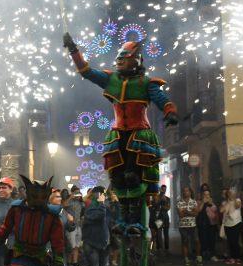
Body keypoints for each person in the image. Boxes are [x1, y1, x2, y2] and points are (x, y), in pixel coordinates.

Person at [64, 33, 179, 239]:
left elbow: (161, 98)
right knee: (118, 178)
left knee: (133, 176)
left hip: (139, 135)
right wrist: (74, 50)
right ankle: (122, 220)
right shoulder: (111, 79)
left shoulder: (147, 82)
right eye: (119, 56)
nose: (119, 60)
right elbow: (86, 72)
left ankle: (136, 222)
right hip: (118, 135)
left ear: (135, 59)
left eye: (124, 56)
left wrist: (169, 112)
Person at [0, 175, 66, 266]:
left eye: (42, 196)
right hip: (19, 256)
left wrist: (59, 263)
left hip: (40, 259)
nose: (39, 200)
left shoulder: (51, 215)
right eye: (35, 196)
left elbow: (57, 242)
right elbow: (5, 229)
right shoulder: (17, 209)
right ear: (29, 194)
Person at [81, 186, 110, 266]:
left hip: (104, 243)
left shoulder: (105, 206)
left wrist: (116, 204)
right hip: (91, 243)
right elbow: (99, 216)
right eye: (103, 194)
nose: (104, 196)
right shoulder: (91, 206)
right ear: (98, 195)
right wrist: (101, 203)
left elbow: (113, 219)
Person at [177, 186, 201, 266]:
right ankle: (186, 259)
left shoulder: (194, 202)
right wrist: (191, 212)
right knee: (185, 242)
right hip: (183, 226)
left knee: (196, 241)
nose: (185, 192)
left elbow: (196, 214)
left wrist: (186, 211)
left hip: (193, 225)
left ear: (190, 192)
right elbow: (180, 215)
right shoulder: (179, 202)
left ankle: (198, 257)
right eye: (184, 191)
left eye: (187, 191)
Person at [197, 188, 220, 262]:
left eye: (208, 194)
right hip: (203, 224)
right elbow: (199, 210)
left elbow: (215, 211)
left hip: (212, 224)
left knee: (212, 240)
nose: (206, 196)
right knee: (203, 239)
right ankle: (204, 253)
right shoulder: (200, 202)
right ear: (202, 195)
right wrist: (203, 202)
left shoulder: (212, 202)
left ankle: (212, 254)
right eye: (205, 194)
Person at [221, 189, 243, 265]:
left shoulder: (237, 200)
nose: (231, 194)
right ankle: (232, 257)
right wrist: (228, 202)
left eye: (232, 193)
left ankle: (237, 257)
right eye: (229, 193)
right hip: (227, 224)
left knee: (235, 241)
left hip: (236, 223)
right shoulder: (225, 202)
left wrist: (233, 200)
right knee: (230, 241)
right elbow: (221, 210)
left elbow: (238, 206)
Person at [65, 186, 84, 266]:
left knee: (77, 246)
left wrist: (81, 197)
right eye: (76, 192)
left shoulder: (80, 202)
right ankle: (68, 264)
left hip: (78, 226)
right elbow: (64, 205)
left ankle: (75, 263)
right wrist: (70, 197)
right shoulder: (69, 201)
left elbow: (84, 205)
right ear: (72, 193)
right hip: (71, 226)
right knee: (71, 246)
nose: (78, 194)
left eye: (79, 192)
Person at [152, 185, 171, 254]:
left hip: (165, 217)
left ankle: (166, 248)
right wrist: (160, 200)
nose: (164, 191)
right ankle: (159, 248)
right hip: (158, 218)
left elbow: (168, 208)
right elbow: (154, 206)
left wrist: (164, 204)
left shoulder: (167, 199)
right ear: (160, 190)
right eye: (162, 189)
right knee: (158, 233)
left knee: (166, 233)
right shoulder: (156, 198)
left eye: (165, 189)